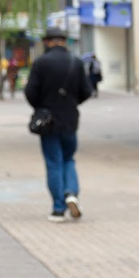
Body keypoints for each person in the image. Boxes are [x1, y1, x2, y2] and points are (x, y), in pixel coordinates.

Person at [24, 27, 93, 223]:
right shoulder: (76, 62)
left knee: (54, 163)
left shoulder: (41, 63)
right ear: (64, 41)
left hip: (48, 122)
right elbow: (86, 91)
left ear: (47, 41)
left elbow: (30, 92)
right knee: (69, 158)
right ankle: (71, 193)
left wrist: (41, 107)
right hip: (70, 120)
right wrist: (71, 103)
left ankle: (58, 208)